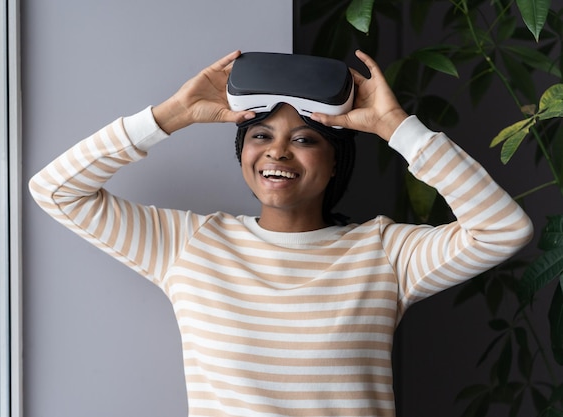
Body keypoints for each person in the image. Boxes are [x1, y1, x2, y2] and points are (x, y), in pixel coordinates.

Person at [29, 50, 533, 417]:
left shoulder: (384, 253)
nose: (278, 152)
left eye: (305, 139)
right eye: (261, 136)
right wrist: (169, 116)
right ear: (242, 152)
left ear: (336, 161)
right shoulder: (188, 245)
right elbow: (54, 190)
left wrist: (397, 127)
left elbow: (503, 230)